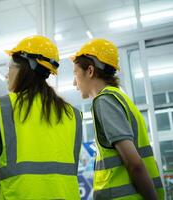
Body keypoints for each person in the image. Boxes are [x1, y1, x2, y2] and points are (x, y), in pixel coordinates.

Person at [0, 35, 83, 199]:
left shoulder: (3, 107)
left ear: (23, 69)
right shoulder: (73, 115)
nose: (6, 75)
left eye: (9, 67)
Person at [71, 38, 165, 200]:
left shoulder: (104, 101)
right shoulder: (120, 97)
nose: (74, 82)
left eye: (76, 73)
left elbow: (134, 163)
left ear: (90, 71)